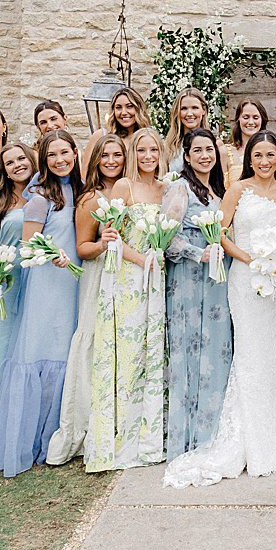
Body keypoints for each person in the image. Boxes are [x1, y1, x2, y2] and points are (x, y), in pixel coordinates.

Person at [165, 131, 276, 486]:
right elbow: (220, 232)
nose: (264, 162)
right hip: (245, 280)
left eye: (270, 156)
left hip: (274, 286)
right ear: (250, 158)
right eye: (258, 155)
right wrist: (249, 258)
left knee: (273, 355)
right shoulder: (237, 189)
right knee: (249, 355)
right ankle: (246, 438)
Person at [0, 130, 82, 478]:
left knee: (67, 349)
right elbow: (28, 247)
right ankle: (31, 439)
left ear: (74, 153)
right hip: (46, 283)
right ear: (45, 161)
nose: (59, 160)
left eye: (64, 153)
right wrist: (50, 255)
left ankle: (62, 434)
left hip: (74, 281)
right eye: (51, 155)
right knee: (42, 350)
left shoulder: (80, 192)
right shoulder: (40, 198)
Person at [84, 128, 167, 473]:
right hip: (128, 279)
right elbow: (113, 238)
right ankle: (122, 436)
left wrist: (157, 260)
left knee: (153, 353)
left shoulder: (166, 188)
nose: (147, 156)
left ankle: (151, 437)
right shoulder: (124, 187)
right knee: (129, 355)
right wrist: (143, 260)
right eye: (142, 150)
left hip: (157, 280)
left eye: (153, 150)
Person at [46, 134, 128, 466]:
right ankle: (86, 426)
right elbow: (83, 248)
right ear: (94, 160)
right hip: (98, 278)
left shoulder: (128, 190)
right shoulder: (90, 199)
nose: (111, 160)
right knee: (94, 347)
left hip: (127, 280)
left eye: (117, 154)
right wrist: (105, 242)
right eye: (105, 155)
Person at [158, 128, 234, 458]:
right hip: (188, 281)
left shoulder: (218, 190)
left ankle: (213, 431)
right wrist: (196, 252)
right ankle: (187, 436)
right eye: (198, 150)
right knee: (189, 350)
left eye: (209, 150)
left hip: (217, 282)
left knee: (216, 349)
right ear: (186, 156)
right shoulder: (180, 187)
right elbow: (164, 238)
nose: (205, 155)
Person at [0, 142, 37, 368]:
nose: (17, 165)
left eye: (21, 159)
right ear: (4, 170)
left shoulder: (47, 193)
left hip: (39, 276)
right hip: (6, 278)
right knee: (3, 345)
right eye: (9, 163)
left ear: (31, 160)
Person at [81, 86, 150, 167]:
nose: (123, 112)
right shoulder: (100, 136)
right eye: (118, 107)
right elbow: (85, 175)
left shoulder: (147, 138)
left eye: (129, 106)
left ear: (139, 109)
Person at [163, 87, 212, 172]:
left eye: (194, 108)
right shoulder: (168, 147)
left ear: (203, 110)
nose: (189, 114)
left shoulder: (215, 144)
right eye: (184, 108)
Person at [223, 98, 267, 186]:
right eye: (246, 117)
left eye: (255, 117)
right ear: (238, 119)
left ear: (262, 119)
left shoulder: (274, 151)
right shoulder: (224, 152)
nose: (251, 122)